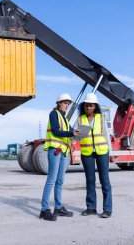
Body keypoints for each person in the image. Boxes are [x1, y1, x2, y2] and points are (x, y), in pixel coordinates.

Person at [39, 93, 80, 221]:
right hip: (55, 150)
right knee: (51, 179)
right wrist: (71, 132)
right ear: (58, 103)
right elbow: (56, 131)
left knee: (60, 180)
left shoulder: (66, 119)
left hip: (64, 151)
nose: (66, 105)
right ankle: (44, 210)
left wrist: (77, 133)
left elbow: (70, 132)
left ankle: (58, 207)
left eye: (68, 103)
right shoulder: (54, 114)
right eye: (64, 103)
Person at [76, 93, 113, 218]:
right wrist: (74, 135)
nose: (88, 108)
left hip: (102, 151)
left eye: (90, 106)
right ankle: (91, 208)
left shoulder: (101, 118)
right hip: (87, 153)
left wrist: (111, 152)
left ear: (95, 106)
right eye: (86, 106)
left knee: (105, 181)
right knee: (90, 181)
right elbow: (78, 137)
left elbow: (107, 136)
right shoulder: (80, 119)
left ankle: (107, 209)